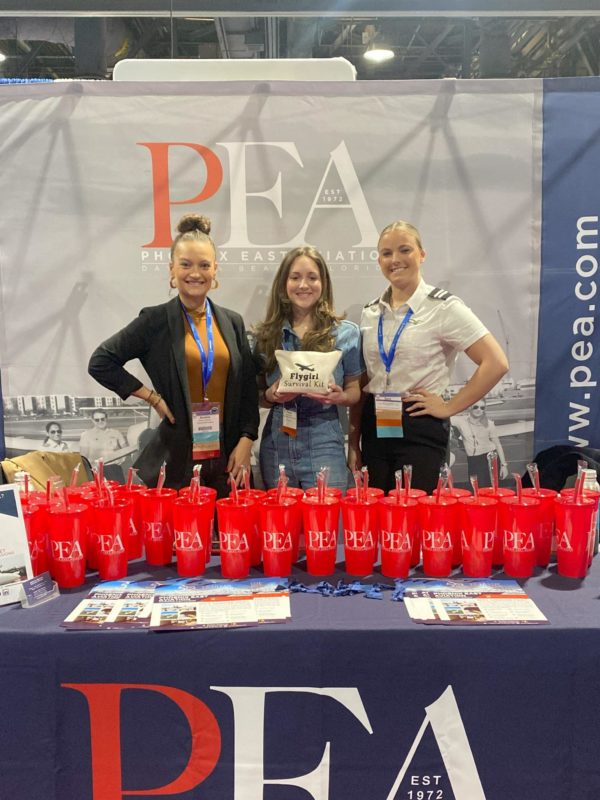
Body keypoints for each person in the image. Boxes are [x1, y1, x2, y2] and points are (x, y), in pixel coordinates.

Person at [88, 214, 259, 492]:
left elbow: (248, 389)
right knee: (182, 522)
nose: (195, 273)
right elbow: (101, 362)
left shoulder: (232, 322)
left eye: (204, 265)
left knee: (227, 521)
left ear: (215, 269)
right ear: (171, 269)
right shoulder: (154, 321)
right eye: (186, 264)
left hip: (228, 457)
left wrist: (247, 439)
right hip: (178, 458)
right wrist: (152, 398)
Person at [348, 220, 509, 494]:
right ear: (379, 260)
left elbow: (496, 362)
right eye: (387, 253)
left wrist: (448, 407)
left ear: (422, 255)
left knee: (416, 512)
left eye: (404, 250)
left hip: (419, 421)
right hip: (375, 424)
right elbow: (365, 379)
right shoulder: (371, 312)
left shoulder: (444, 307)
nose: (395, 259)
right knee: (379, 512)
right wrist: (354, 441)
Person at [253, 246, 363, 490]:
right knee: (281, 516)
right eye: (295, 277)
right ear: (284, 284)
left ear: (323, 283)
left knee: (326, 515)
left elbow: (355, 390)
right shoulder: (266, 336)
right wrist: (272, 395)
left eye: (312, 277)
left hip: (324, 438)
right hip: (277, 442)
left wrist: (341, 397)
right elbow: (257, 395)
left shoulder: (346, 333)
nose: (303, 285)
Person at [452, 398, 509, 485]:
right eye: (476, 407)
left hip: (490, 458)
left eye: (482, 408)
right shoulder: (460, 421)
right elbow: (444, 416)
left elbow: (497, 444)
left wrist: (504, 465)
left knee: (490, 488)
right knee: (474, 487)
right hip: (473, 460)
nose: (479, 410)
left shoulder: (489, 424)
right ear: (470, 407)